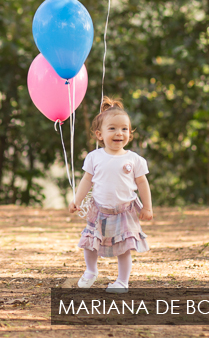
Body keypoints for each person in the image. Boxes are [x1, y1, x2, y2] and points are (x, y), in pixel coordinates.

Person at [68, 97, 153, 292]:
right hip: (99, 210)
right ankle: (91, 270)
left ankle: (122, 281)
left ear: (130, 134)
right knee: (90, 243)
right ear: (100, 134)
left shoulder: (135, 159)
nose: (119, 133)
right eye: (112, 129)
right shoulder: (94, 157)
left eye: (124, 129)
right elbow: (87, 180)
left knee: (124, 249)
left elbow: (142, 183)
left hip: (124, 211)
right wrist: (77, 200)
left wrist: (147, 207)